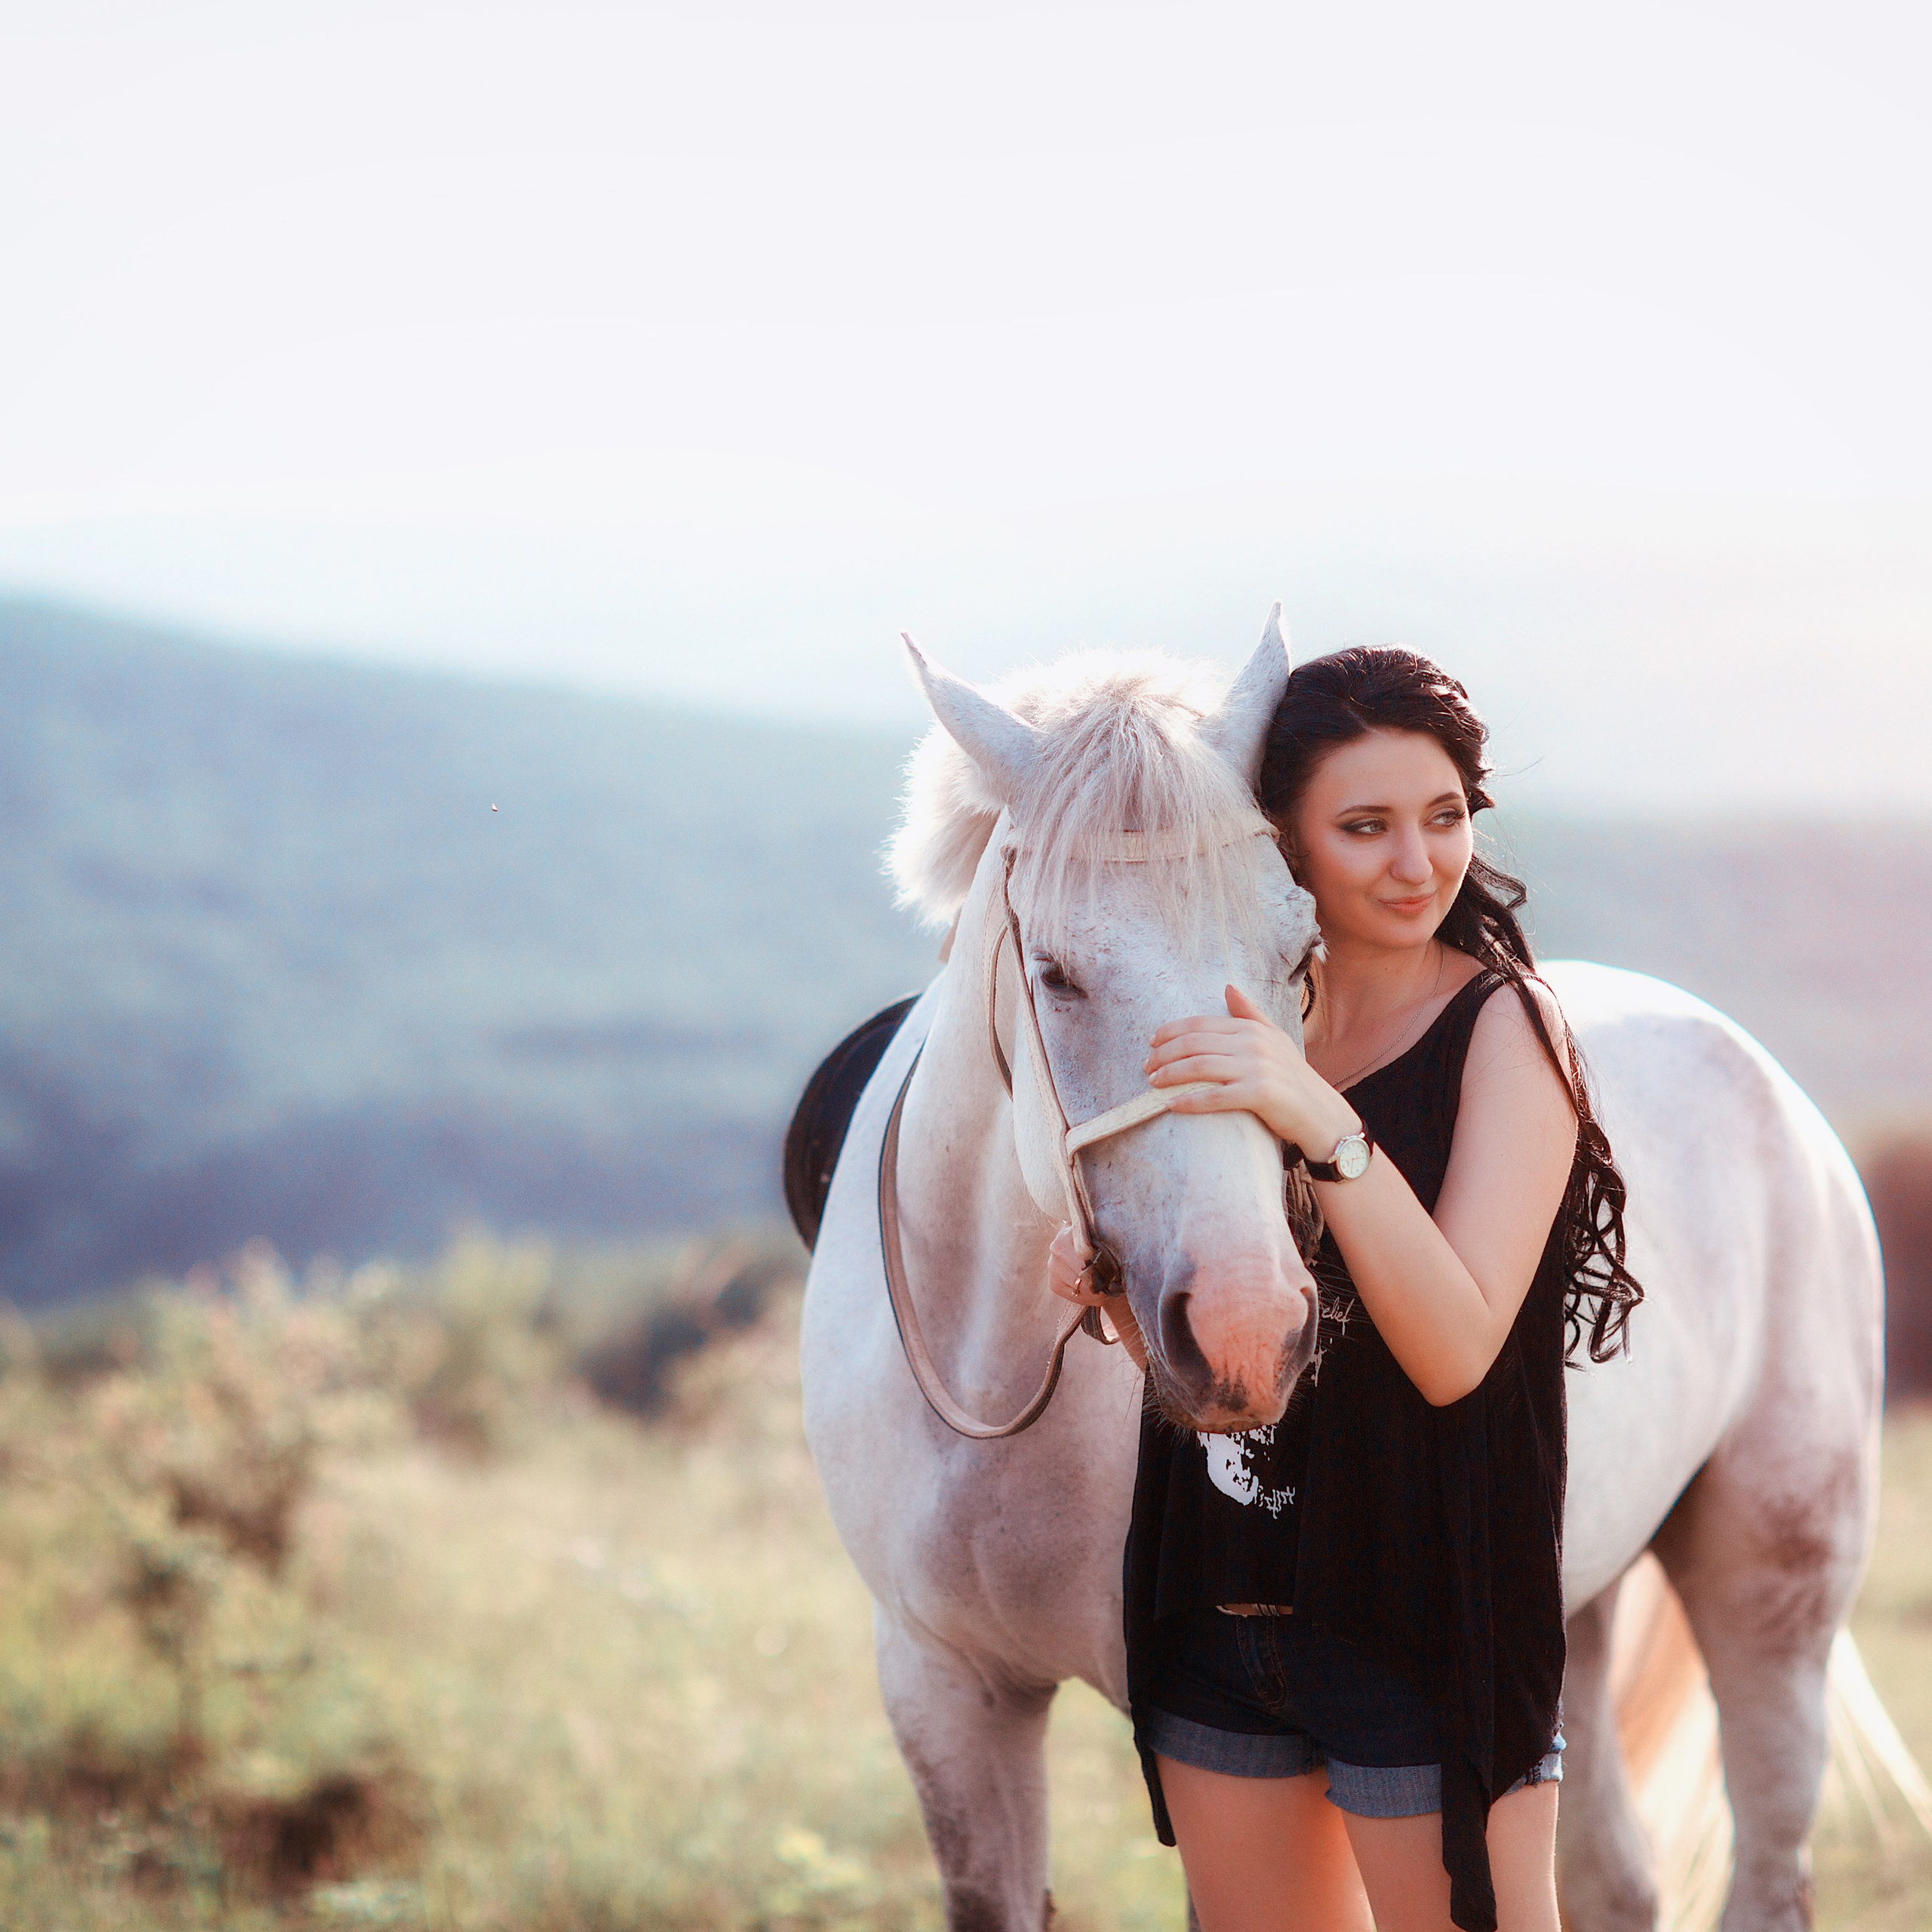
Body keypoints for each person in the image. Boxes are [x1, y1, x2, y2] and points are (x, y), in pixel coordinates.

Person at [1047, 647, 1641, 1932]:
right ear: (1286, 844)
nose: (1417, 863)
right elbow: (1225, 1363)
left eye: (1444, 818)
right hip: (1218, 1608)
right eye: (1364, 826)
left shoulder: (1508, 1032)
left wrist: (1318, 1117)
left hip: (1424, 1617)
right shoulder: (1232, 1020)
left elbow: (1455, 1350)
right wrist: (1105, 1297)